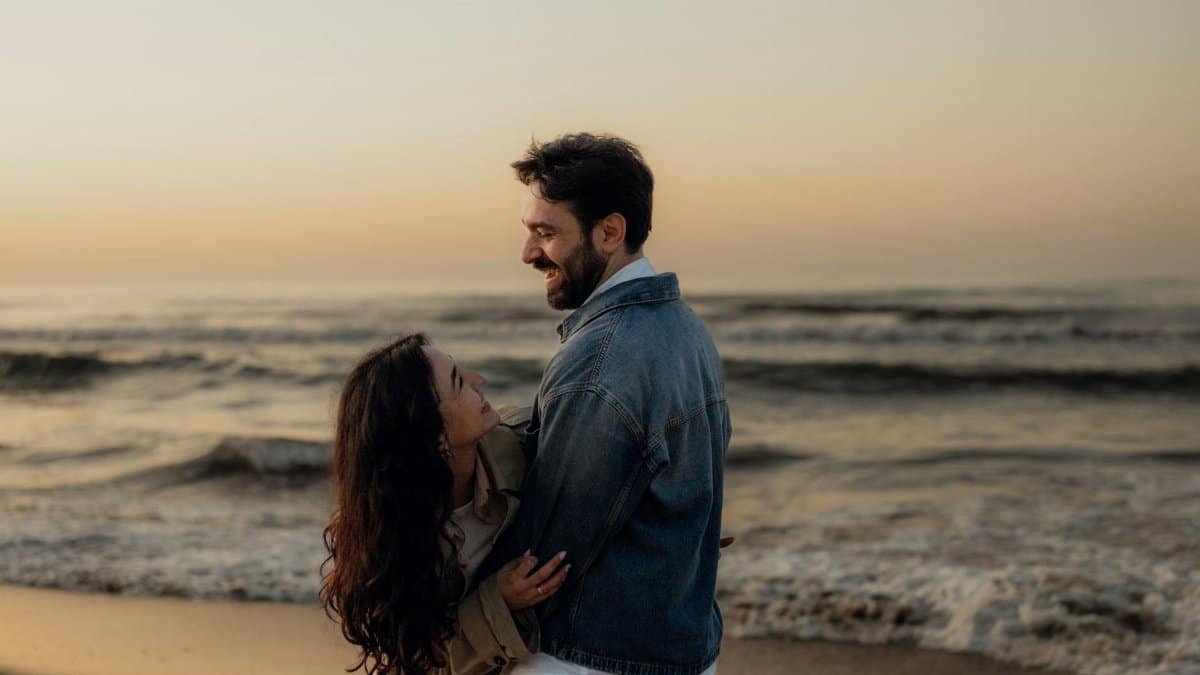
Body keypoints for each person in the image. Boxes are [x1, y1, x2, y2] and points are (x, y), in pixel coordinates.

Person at [480, 133, 730, 675]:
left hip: (588, 657)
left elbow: (550, 555)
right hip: (682, 649)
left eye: (546, 233)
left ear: (610, 232)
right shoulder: (687, 330)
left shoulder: (598, 362)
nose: (527, 253)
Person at [320, 333, 569, 674]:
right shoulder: (386, 537)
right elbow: (423, 659)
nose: (478, 380)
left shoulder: (527, 448)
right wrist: (497, 600)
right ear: (432, 436)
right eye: (458, 382)